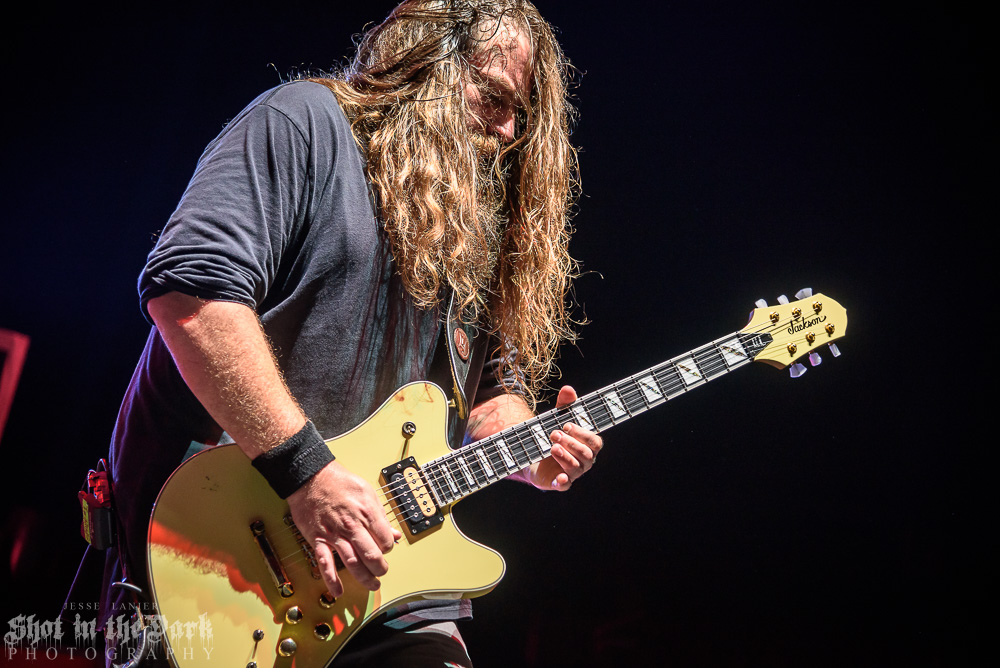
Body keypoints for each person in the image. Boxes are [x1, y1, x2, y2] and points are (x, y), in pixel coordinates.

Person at [98, 1, 602, 665]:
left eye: (522, 114)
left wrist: (524, 447)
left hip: (396, 588)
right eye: (493, 97)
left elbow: (489, 393)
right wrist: (306, 472)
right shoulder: (304, 123)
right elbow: (192, 293)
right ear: (424, 65)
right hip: (227, 565)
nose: (509, 130)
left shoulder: (471, 223)